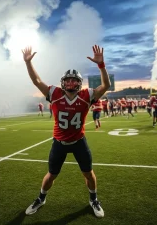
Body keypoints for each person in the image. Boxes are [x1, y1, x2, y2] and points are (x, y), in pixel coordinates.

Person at [22, 45, 110, 218]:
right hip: (59, 142)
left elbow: (106, 85)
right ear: (63, 82)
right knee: (51, 175)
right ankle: (41, 198)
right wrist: (28, 63)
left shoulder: (87, 95)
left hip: (79, 141)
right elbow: (36, 81)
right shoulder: (54, 92)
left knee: (88, 173)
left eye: (74, 80)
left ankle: (93, 199)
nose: (71, 83)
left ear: (79, 83)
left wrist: (101, 65)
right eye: (68, 80)